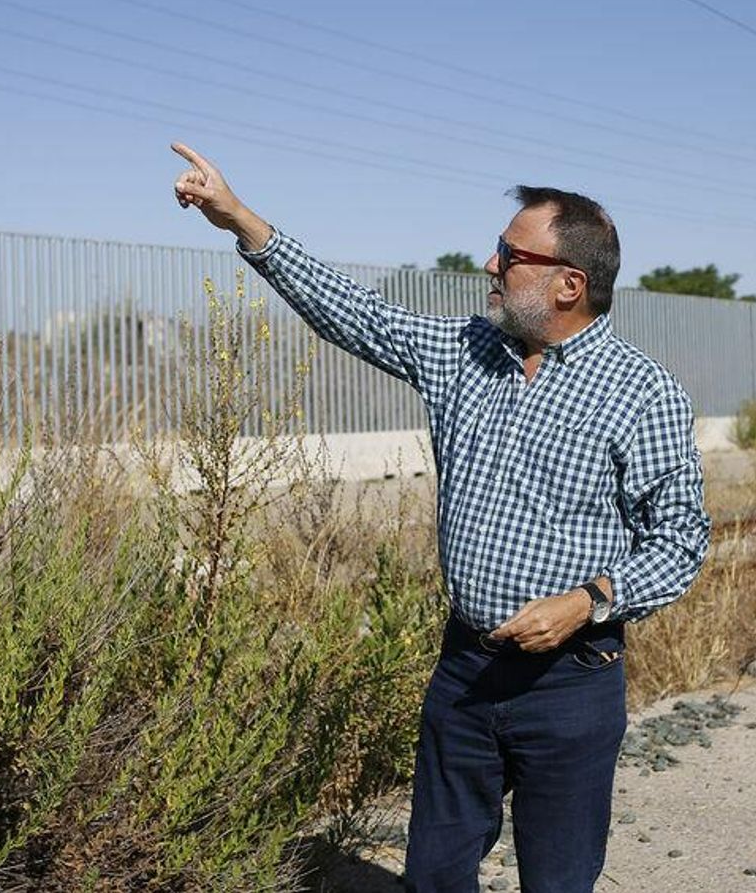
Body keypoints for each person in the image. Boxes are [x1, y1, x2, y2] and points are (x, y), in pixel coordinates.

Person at [170, 141, 712, 893]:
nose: (490, 265)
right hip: (465, 671)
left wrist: (588, 601)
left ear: (568, 284)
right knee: (433, 876)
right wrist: (238, 219)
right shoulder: (464, 352)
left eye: (508, 253)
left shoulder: (643, 393)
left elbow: (681, 543)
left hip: (571, 682)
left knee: (557, 881)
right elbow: (352, 312)